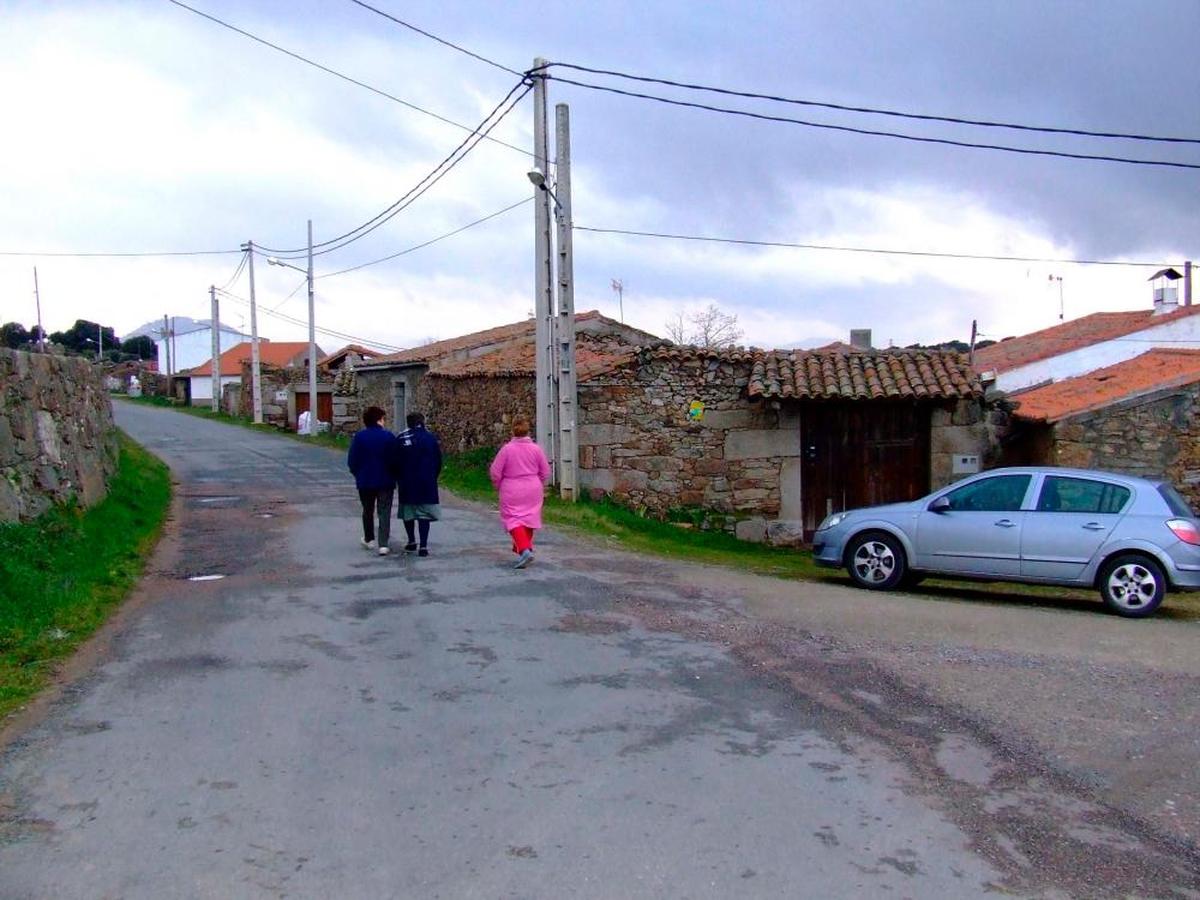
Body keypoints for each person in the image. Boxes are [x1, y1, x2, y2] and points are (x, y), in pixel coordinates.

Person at [488, 416, 550, 569]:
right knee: (529, 517)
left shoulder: (507, 450)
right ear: (528, 430)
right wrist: (538, 482)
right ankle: (524, 547)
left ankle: (524, 550)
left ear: (512, 431)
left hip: (512, 487)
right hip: (533, 487)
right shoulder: (536, 449)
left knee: (513, 519)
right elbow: (546, 471)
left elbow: (495, 472)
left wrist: (499, 485)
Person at [347, 406, 397, 556]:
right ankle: (383, 544)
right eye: (383, 418)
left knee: (367, 510)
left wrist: (358, 474)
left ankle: (369, 538)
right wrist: (394, 474)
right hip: (386, 480)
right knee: (384, 511)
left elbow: (352, 461)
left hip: (365, 480)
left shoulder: (359, 437)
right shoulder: (388, 436)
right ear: (379, 420)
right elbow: (395, 460)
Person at [393, 412, 442, 557]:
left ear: (408, 423)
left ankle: (412, 541)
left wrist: (398, 477)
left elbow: (395, 461)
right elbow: (438, 461)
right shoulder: (431, 439)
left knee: (409, 512)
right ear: (423, 422)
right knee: (424, 514)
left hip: (407, 482)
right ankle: (424, 545)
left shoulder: (401, 438)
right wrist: (433, 475)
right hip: (427, 482)